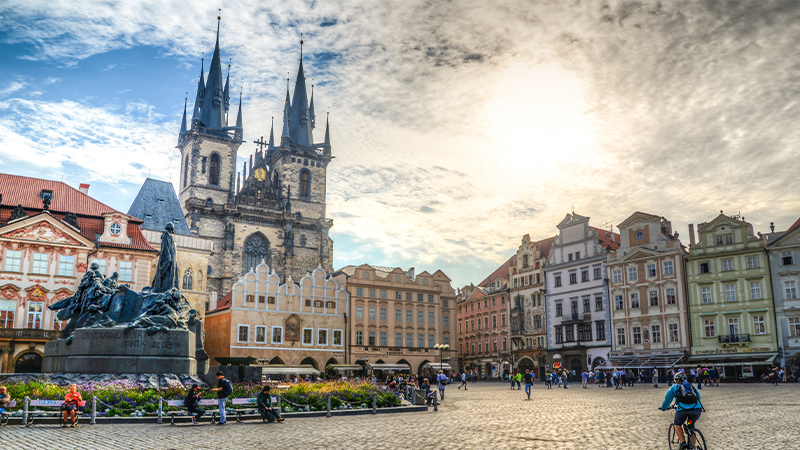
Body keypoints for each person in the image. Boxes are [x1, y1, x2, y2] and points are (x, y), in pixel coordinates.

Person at [660, 372, 703, 450]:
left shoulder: (674, 388)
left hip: (682, 411)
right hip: (696, 411)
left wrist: (663, 408)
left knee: (677, 424)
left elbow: (667, 400)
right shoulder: (691, 386)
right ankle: (692, 446)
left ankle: (683, 443)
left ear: (676, 380)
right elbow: (698, 397)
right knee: (691, 424)